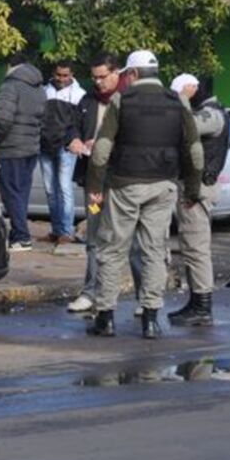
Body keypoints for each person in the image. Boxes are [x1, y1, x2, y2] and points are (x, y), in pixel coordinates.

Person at [85, 50, 203, 340]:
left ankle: (106, 318)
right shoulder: (179, 101)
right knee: (153, 251)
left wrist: (95, 191)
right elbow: (195, 151)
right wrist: (193, 189)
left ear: (133, 74)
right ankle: (151, 319)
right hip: (163, 185)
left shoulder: (121, 100)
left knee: (112, 250)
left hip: (124, 184)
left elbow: (101, 151)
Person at [66, 53, 143, 314]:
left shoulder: (130, 101)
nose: (98, 82)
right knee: (94, 236)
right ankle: (91, 293)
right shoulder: (87, 101)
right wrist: (75, 140)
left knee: (132, 240)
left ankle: (144, 299)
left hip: (124, 182)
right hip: (95, 184)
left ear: (117, 73)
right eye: (94, 77)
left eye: (103, 76)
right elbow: (72, 127)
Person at [167, 74, 229, 327]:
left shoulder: (211, 114)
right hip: (196, 186)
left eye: (181, 92)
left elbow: (185, 126)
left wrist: (180, 101)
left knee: (196, 247)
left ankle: (202, 306)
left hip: (199, 188)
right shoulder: (208, 110)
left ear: (193, 89)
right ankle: (195, 302)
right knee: (191, 246)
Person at [0, 56, 47, 251]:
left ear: (9, 65)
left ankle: (21, 237)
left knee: (11, 194)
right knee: (21, 194)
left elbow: (2, 118)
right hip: (31, 147)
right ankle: (19, 235)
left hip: (11, 147)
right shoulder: (38, 87)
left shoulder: (11, 85)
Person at [39, 61, 85, 245]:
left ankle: (66, 231)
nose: (62, 79)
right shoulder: (44, 91)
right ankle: (57, 230)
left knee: (64, 188)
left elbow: (79, 122)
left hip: (66, 146)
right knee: (51, 190)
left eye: (66, 75)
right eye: (59, 75)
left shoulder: (79, 94)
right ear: (53, 73)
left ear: (72, 74)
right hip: (45, 145)